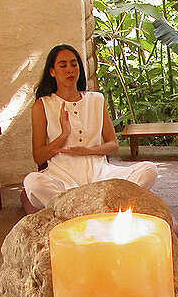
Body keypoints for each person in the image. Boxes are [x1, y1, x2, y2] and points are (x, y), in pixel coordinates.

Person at [23, 44, 158, 208]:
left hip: (100, 173)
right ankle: (101, 205)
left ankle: (76, 208)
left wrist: (87, 151)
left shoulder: (96, 100)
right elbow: (38, 156)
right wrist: (63, 136)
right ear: (52, 72)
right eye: (63, 65)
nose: (70, 70)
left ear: (79, 69)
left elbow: (113, 145)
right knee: (32, 182)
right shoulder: (42, 105)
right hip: (63, 176)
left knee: (149, 170)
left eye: (74, 64)